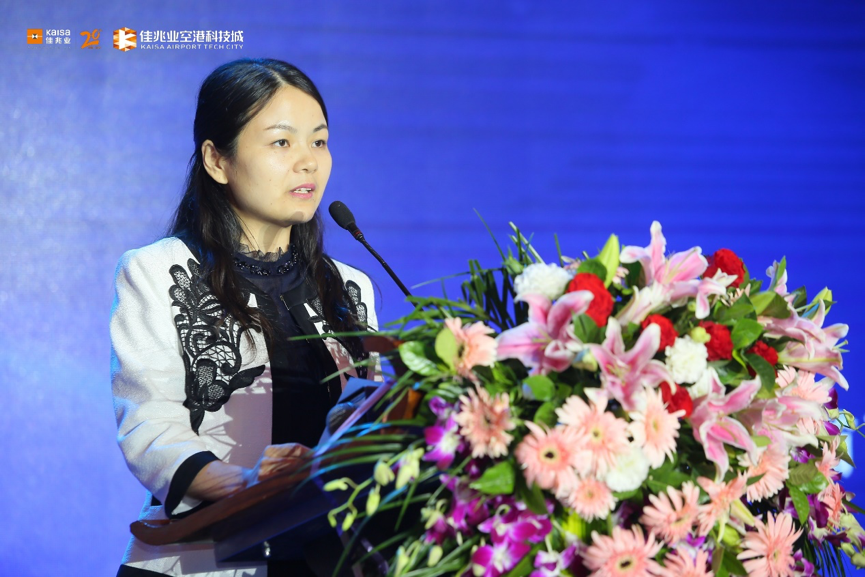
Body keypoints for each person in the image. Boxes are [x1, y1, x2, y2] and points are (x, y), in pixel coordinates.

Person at [110, 58, 378, 577]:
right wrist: (246, 482)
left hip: (328, 560)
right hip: (202, 558)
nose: (308, 162)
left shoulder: (350, 287)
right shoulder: (158, 271)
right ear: (217, 160)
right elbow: (149, 425)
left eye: (319, 141)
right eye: (282, 142)